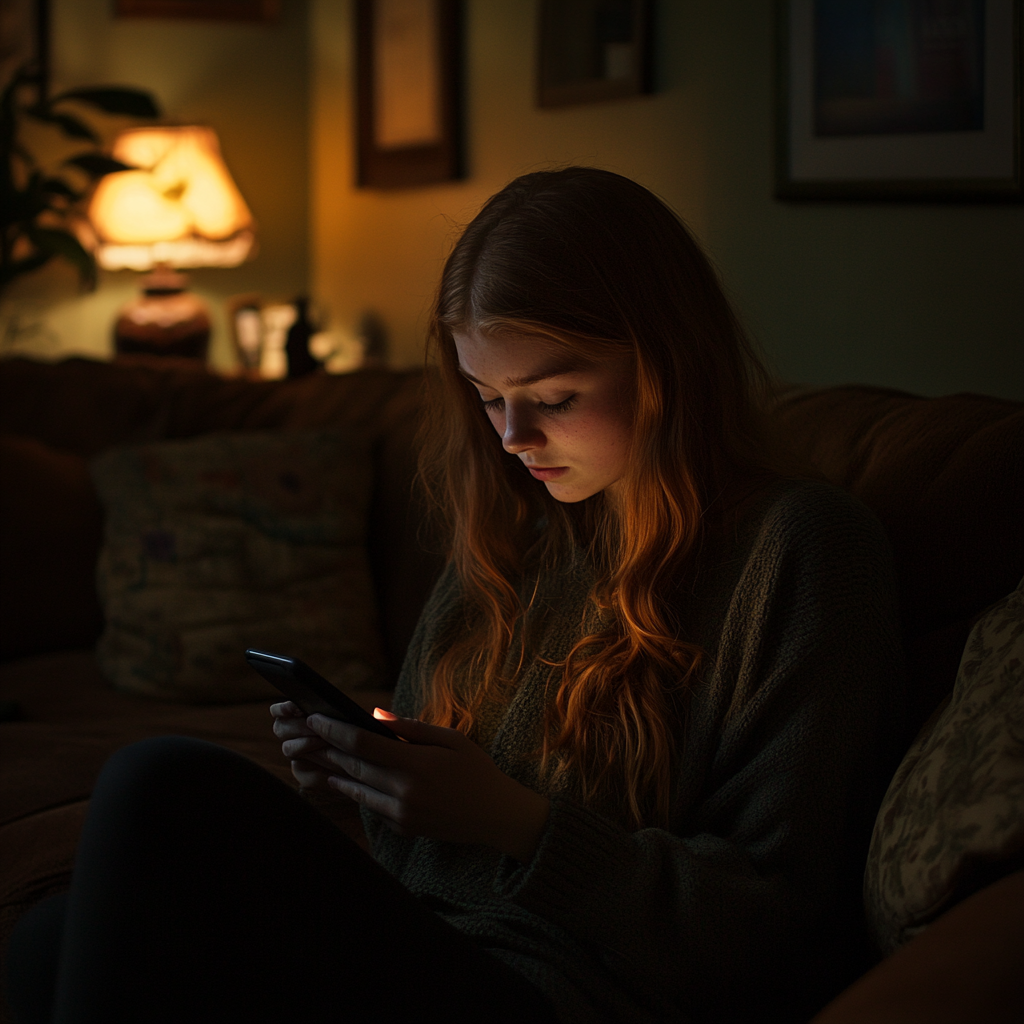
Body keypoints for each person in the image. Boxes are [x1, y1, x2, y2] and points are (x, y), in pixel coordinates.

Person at [6, 168, 904, 1024]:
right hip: (431, 946)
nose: (514, 437)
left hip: (565, 993)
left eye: (555, 395)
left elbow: (772, 928)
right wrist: (365, 782)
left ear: (670, 363)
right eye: (488, 396)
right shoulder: (522, 536)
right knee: (53, 935)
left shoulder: (801, 549)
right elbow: (423, 862)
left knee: (159, 782)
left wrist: (518, 824)